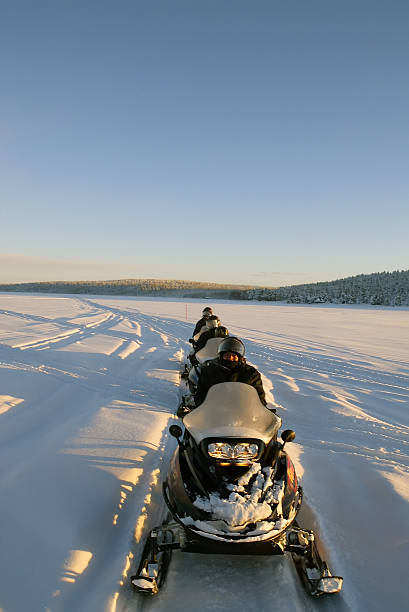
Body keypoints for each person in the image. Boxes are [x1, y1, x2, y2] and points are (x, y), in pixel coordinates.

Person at [194, 337, 267, 407]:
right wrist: (203, 407)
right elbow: (201, 394)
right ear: (221, 356)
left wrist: (260, 410)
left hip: (243, 412)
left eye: (234, 356)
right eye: (227, 355)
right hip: (215, 411)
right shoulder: (210, 371)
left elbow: (259, 398)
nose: (230, 358)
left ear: (239, 358)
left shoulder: (251, 373)